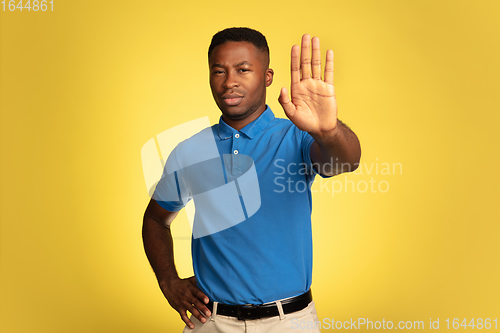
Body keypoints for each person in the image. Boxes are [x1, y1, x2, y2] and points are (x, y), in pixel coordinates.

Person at [142, 27, 361, 332]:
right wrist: (168, 280)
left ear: (267, 76)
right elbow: (156, 220)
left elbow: (346, 162)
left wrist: (328, 130)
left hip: (289, 322)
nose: (229, 81)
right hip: (211, 322)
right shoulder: (190, 151)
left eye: (243, 70)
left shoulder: (296, 136)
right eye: (219, 71)